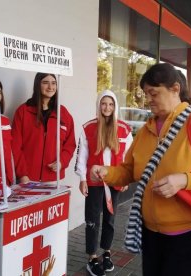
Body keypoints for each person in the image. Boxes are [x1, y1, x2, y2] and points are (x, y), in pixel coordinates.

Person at [90, 63, 191, 276]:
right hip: (151, 230)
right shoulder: (147, 129)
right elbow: (130, 171)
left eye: (153, 93)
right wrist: (107, 172)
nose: (148, 99)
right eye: (146, 93)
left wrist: (184, 180)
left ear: (175, 89)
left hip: (188, 232)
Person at [74, 90, 133, 276]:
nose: (107, 107)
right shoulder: (88, 127)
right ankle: (92, 257)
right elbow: (82, 157)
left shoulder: (124, 129)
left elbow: (128, 157)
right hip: (94, 183)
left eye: (111, 104)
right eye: (104, 104)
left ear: (115, 107)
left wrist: (125, 178)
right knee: (92, 220)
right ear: (99, 105)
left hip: (114, 181)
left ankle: (106, 253)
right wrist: (82, 179)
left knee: (110, 219)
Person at [11, 72, 76, 183]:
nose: (50, 87)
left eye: (53, 83)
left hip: (54, 179)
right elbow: (15, 146)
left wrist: (61, 162)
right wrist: (22, 175)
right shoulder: (23, 111)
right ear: (38, 85)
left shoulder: (63, 114)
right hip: (28, 179)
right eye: (45, 83)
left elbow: (70, 145)